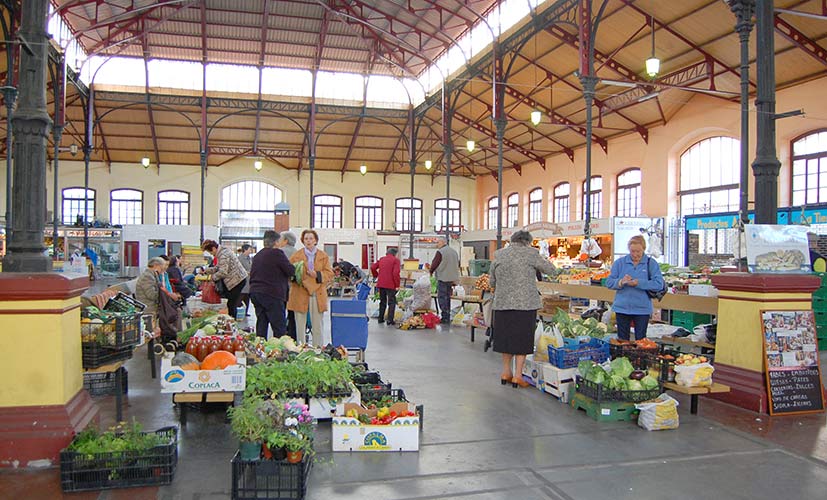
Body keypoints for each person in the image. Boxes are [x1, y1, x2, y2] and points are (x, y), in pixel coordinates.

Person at [490, 230, 557, 388]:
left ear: (512, 240)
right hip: (525, 305)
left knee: (505, 338)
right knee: (522, 338)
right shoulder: (531, 254)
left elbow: (492, 280)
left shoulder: (499, 254)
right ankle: (518, 376)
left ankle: (506, 372)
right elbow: (552, 270)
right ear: (527, 242)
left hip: (502, 303)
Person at [605, 235, 665, 341]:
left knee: (641, 341)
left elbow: (658, 284)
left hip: (642, 309)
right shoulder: (620, 263)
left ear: (644, 249)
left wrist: (639, 283)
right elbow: (609, 282)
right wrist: (621, 282)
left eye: (638, 251)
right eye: (632, 251)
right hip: (622, 308)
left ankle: (639, 357)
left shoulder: (651, 263)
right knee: (622, 340)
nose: (635, 254)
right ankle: (623, 356)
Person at [287, 229, 334, 345]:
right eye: (306, 238)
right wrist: (295, 276)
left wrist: (317, 274)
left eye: (311, 238)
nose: (308, 241)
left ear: (316, 241)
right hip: (300, 292)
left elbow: (329, 274)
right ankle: (300, 348)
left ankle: (318, 349)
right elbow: (288, 273)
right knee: (300, 324)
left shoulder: (323, 256)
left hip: (317, 293)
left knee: (317, 324)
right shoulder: (296, 256)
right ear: (303, 241)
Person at [249, 231, 295, 340]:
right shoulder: (277, 253)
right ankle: (279, 352)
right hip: (272, 294)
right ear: (276, 242)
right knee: (279, 327)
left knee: (261, 323)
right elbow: (290, 270)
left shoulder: (258, 255)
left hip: (256, 292)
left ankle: (260, 348)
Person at [201, 239, 249, 320]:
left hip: (237, 280)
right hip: (237, 279)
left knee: (232, 304)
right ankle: (231, 321)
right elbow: (219, 267)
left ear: (213, 248)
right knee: (231, 303)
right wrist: (207, 270)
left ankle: (232, 322)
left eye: (210, 252)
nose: (212, 255)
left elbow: (223, 272)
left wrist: (212, 278)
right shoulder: (222, 252)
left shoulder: (223, 255)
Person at [429, 237, 460, 324]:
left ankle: (444, 316)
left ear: (443, 242)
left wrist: (431, 271)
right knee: (448, 297)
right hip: (451, 278)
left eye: (438, 242)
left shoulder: (440, 252)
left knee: (442, 297)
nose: (437, 244)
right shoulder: (454, 252)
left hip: (443, 277)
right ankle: (447, 315)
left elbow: (435, 263)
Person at [371, 248, 401, 325]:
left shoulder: (382, 259)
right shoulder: (396, 260)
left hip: (381, 283)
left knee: (382, 301)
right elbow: (395, 273)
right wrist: (397, 284)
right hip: (390, 284)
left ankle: (380, 318)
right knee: (391, 302)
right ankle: (390, 320)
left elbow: (373, 267)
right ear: (395, 254)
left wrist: (376, 275)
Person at [280, 231, 299, 339]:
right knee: (292, 315)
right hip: (295, 288)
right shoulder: (298, 252)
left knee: (280, 313)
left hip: (282, 287)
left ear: (285, 240)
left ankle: (283, 337)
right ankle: (293, 336)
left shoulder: (280, 252)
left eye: (280, 239)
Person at [238, 244, 254, 316]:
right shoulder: (239, 259)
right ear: (245, 250)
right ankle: (238, 310)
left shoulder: (249, 258)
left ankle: (245, 312)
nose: (250, 251)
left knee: (247, 298)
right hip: (243, 280)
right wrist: (246, 272)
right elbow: (238, 269)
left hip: (249, 281)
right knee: (240, 296)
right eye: (249, 249)